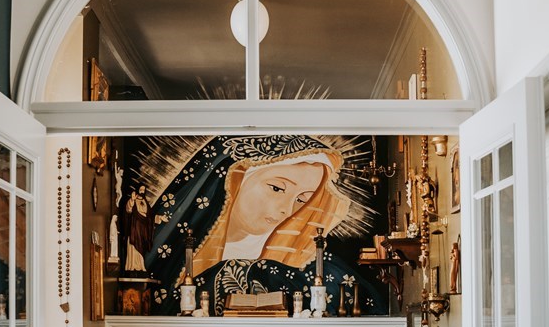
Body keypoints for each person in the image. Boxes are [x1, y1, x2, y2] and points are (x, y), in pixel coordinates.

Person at [140, 135, 385, 315]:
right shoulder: (172, 258)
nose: (287, 210)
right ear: (235, 179)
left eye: (302, 199)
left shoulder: (318, 267)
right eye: (277, 188)